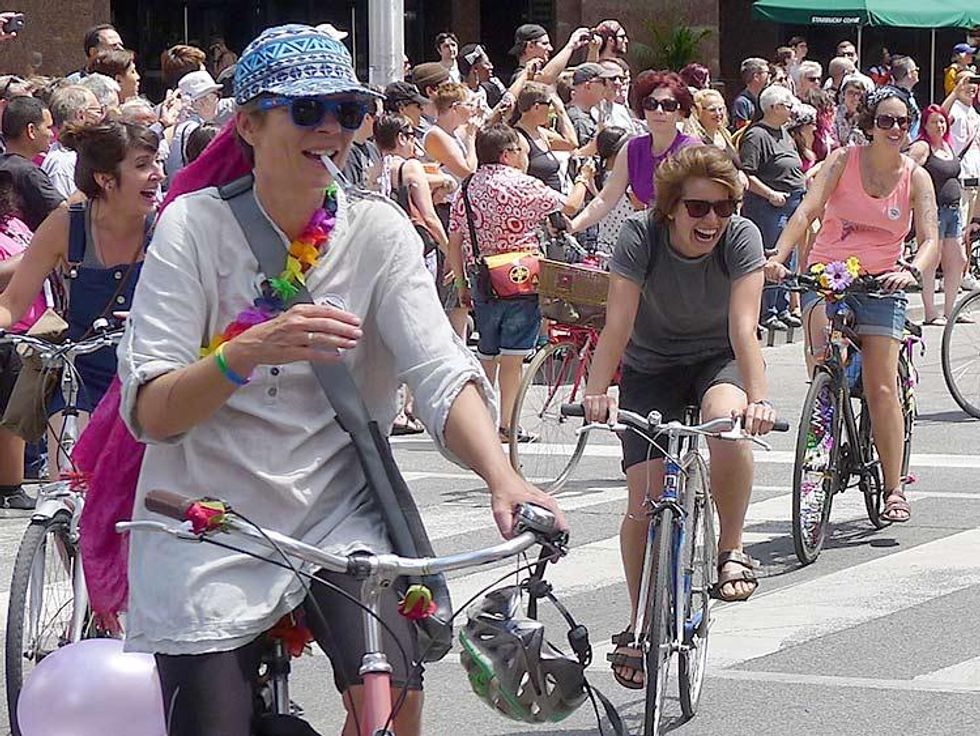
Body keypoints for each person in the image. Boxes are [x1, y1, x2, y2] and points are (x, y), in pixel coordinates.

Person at [116, 25, 566, 736]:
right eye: (305, 110)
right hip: (205, 519)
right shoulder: (190, 228)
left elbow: (440, 369)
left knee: (394, 689)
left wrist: (501, 476)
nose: (330, 128)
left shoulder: (378, 232)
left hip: (339, 518)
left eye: (347, 111)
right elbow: (153, 411)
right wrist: (244, 352)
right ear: (248, 124)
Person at [582, 146, 775, 688]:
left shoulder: (740, 238)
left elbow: (745, 326)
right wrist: (598, 391)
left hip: (719, 360)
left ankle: (730, 549)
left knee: (727, 428)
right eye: (697, 208)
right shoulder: (639, 236)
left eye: (722, 207)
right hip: (651, 365)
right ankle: (640, 623)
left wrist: (757, 398)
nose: (711, 219)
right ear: (670, 208)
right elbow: (617, 323)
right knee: (643, 502)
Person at [766, 87, 939, 524]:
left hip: (883, 284)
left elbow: (931, 238)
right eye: (886, 121)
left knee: (882, 388)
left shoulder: (916, 177)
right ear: (869, 124)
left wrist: (913, 271)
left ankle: (894, 487)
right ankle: (826, 412)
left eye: (903, 122)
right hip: (828, 274)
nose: (895, 129)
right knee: (823, 359)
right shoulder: (844, 160)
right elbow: (806, 212)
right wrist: (778, 257)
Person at [0, 121, 162, 476]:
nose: (158, 175)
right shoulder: (66, 225)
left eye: (157, 162)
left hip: (150, 377)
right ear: (105, 179)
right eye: (143, 165)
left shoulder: (167, 226)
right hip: (81, 376)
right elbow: (12, 303)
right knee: (70, 482)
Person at [446, 124, 562, 443]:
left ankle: (483, 420)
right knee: (514, 357)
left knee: (488, 354)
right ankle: (509, 425)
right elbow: (568, 206)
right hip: (520, 277)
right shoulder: (526, 185)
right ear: (507, 154)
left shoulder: (466, 187)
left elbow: (454, 241)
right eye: (523, 151)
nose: (526, 157)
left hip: (481, 278)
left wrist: (460, 283)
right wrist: (583, 181)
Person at [570, 71, 699, 234]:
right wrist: (572, 226)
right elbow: (605, 199)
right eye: (651, 104)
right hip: (650, 237)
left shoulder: (692, 149)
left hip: (687, 239)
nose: (659, 111)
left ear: (680, 112)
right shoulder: (632, 148)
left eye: (668, 105)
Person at [739, 83, 805, 332]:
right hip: (770, 205)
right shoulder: (757, 135)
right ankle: (769, 310)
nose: (791, 110)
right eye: (788, 105)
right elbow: (747, 173)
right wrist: (770, 194)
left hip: (794, 203)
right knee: (773, 254)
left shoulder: (785, 133)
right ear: (774, 107)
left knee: (790, 257)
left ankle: (784, 305)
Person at [0, 169, 47, 509]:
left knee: (14, 414)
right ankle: (10, 486)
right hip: (7, 328)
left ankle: (10, 484)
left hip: (29, 330)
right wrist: (32, 258)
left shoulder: (16, 227)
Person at [908, 105, 968, 324]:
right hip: (934, 211)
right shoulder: (923, 147)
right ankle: (930, 312)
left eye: (942, 121)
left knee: (958, 259)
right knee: (931, 260)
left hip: (953, 210)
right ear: (925, 125)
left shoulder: (948, 145)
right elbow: (907, 171)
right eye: (934, 121)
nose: (939, 125)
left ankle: (951, 310)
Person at [0, 96, 62, 230]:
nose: (52, 134)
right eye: (48, 127)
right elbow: (64, 211)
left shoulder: (4, 164)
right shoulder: (29, 173)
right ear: (31, 130)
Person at [943, 70, 980, 271]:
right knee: (957, 230)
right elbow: (938, 116)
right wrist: (955, 93)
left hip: (974, 178)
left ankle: (964, 270)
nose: (971, 86)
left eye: (975, 81)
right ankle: (955, 272)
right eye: (966, 81)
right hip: (959, 177)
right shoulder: (954, 109)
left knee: (968, 229)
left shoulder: (973, 112)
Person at [511, 81, 578, 191]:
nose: (551, 109)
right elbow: (520, 180)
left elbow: (571, 143)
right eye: (549, 104)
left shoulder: (540, 133)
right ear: (536, 107)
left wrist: (561, 110)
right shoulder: (519, 138)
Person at [41, 84, 103, 199]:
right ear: (81, 115)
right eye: (98, 111)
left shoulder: (77, 155)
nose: (101, 118)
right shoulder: (62, 163)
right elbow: (62, 213)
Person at [164, 69, 223, 183]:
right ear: (202, 101)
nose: (217, 101)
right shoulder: (195, 129)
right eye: (215, 95)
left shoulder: (183, 125)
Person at [592, 125, 639, 255]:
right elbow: (640, 206)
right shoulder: (626, 178)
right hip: (627, 246)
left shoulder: (600, 176)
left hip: (604, 244)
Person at [509, 23, 591, 86]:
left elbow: (587, 75)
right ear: (530, 46)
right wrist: (570, 46)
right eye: (545, 44)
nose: (550, 48)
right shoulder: (519, 77)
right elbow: (545, 79)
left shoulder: (547, 73)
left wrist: (594, 50)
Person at [687, 88, 738, 161]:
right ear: (698, 112)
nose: (718, 114)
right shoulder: (695, 142)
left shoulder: (726, 134)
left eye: (720, 109)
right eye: (712, 110)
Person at [834, 74, 873, 147]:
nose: (855, 97)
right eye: (850, 92)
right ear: (843, 94)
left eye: (858, 93)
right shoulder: (833, 114)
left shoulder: (867, 117)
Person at [886, 55, 921, 138]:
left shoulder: (908, 97)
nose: (917, 72)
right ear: (909, 73)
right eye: (916, 70)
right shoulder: (895, 99)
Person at [732, 57, 769, 129]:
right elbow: (740, 127)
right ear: (756, 77)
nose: (769, 76)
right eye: (767, 73)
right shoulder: (741, 102)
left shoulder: (764, 98)